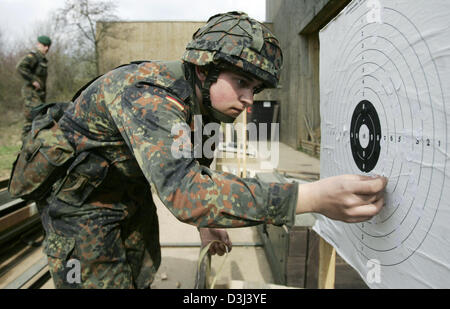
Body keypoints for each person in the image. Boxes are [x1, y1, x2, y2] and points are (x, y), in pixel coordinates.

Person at [37, 12, 387, 289]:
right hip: (78, 204)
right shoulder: (148, 95)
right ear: (205, 69)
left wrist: (205, 223)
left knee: (140, 271)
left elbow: (198, 170)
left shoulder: (206, 108)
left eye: (256, 88)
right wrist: (308, 197)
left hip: (126, 191)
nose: (249, 99)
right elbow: (186, 193)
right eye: (242, 82)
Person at [16, 35, 51, 141]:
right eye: (44, 45)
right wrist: (33, 81)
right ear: (40, 45)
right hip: (31, 93)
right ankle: (26, 147)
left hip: (38, 95)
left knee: (33, 120)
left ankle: (29, 145)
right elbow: (20, 67)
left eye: (47, 46)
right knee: (35, 117)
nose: (46, 48)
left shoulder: (43, 60)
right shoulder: (34, 57)